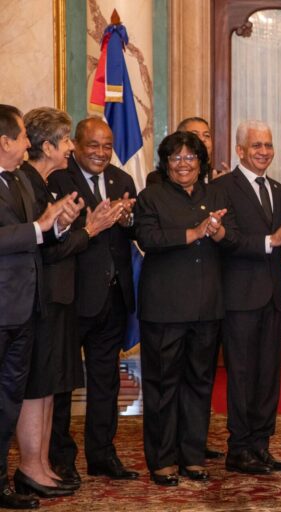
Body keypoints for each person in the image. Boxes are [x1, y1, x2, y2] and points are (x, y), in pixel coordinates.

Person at [16, 108, 119, 499]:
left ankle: (40, 465)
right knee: (39, 387)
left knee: (50, 387)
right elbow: (47, 250)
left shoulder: (41, 183)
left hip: (59, 298)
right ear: (49, 146)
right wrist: (89, 228)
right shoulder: (28, 182)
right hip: (40, 299)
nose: (70, 149)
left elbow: (52, 240)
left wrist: (66, 221)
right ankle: (32, 466)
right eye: (66, 142)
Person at [47, 118, 139, 481]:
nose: (101, 153)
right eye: (93, 145)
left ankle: (102, 456)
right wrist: (93, 222)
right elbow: (55, 239)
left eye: (107, 145)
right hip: (72, 298)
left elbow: (133, 232)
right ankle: (61, 460)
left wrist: (129, 217)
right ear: (76, 145)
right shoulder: (57, 180)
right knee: (62, 385)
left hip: (113, 298)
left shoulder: (122, 179)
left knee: (106, 382)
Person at [134, 131, 228, 486]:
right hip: (165, 309)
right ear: (166, 163)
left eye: (190, 158)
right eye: (176, 158)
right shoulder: (151, 197)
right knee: (162, 386)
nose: (183, 164)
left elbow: (231, 238)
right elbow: (149, 239)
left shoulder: (215, 194)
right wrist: (195, 232)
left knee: (199, 385)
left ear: (201, 163)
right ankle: (162, 460)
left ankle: (192, 456)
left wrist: (218, 232)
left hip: (207, 308)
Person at [0, 104, 80, 510]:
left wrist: (58, 223)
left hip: (29, 304)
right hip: (10, 304)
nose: (27, 144)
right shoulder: (17, 182)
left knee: (23, 393)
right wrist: (45, 225)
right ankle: (24, 469)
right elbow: (25, 236)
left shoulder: (17, 181)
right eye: (21, 138)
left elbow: (42, 236)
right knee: (12, 394)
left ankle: (19, 473)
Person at [216, 120, 281, 475]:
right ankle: (238, 449)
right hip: (238, 299)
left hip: (272, 298)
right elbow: (228, 240)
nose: (264, 152)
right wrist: (273, 239)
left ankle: (261, 445)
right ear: (240, 150)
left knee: (268, 376)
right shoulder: (222, 188)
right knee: (241, 376)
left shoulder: (280, 192)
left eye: (268, 145)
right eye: (256, 146)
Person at [146, 117, 229, 186]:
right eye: (195, 135)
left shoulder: (219, 177)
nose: (203, 139)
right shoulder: (158, 178)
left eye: (207, 135)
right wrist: (212, 188)